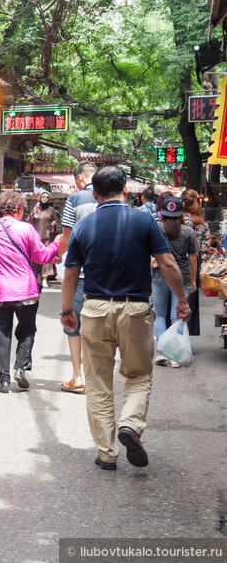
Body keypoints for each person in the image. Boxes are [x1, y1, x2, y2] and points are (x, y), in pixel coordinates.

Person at [61, 166, 189, 470]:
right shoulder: (145, 221)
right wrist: (182, 300)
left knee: (98, 384)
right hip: (135, 310)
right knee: (139, 375)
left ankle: (106, 453)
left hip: (94, 310)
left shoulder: (84, 226)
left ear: (94, 194)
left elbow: (70, 273)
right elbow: (168, 264)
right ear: (126, 191)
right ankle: (130, 424)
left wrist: (67, 311)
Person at [0, 191, 61, 394]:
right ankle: (20, 367)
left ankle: (3, 381)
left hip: (0, 292)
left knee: (1, 336)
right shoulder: (26, 229)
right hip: (26, 292)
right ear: (18, 209)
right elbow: (42, 256)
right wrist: (56, 245)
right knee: (27, 331)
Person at [56, 161, 98, 395]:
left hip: (80, 274)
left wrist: (57, 254)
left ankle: (77, 377)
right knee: (100, 329)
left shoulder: (74, 200)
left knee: (74, 326)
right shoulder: (113, 197)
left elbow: (66, 236)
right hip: (106, 277)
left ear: (79, 178)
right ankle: (96, 378)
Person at [151, 197, 197, 368]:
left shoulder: (156, 228)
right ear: (180, 214)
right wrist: (193, 279)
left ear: (162, 213)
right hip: (183, 276)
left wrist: (151, 259)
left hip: (159, 275)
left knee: (160, 315)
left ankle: (162, 353)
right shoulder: (188, 231)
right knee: (178, 315)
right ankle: (175, 355)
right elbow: (192, 258)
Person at [180, 189, 212, 336]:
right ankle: (188, 331)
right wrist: (203, 254)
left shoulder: (179, 219)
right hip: (195, 261)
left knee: (176, 295)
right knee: (191, 296)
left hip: (178, 260)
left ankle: (177, 331)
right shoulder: (200, 221)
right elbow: (208, 239)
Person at [26, 191, 61, 288]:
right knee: (37, 257)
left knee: (47, 256)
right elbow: (29, 221)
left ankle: (45, 278)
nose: (45, 198)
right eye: (43, 196)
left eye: (47, 197)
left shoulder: (51, 210)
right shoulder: (36, 209)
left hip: (47, 235)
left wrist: (54, 223)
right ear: (40, 198)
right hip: (36, 236)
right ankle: (38, 278)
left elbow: (56, 221)